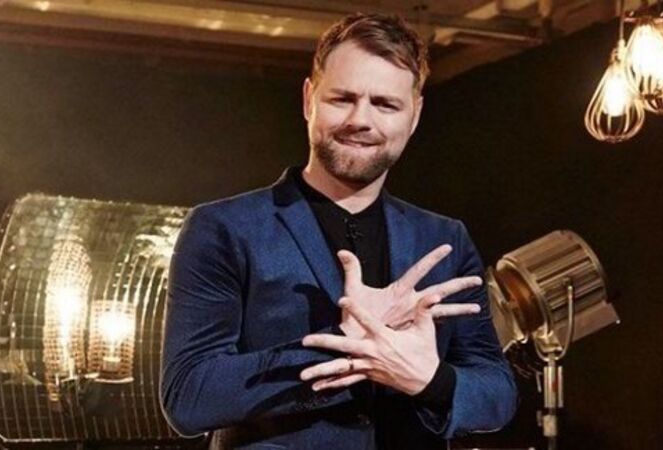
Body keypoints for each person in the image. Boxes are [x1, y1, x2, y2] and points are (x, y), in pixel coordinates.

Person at [160, 13, 517, 449]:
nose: (360, 119)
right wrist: (347, 348)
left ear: (415, 115)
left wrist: (430, 381)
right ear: (309, 100)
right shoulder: (225, 228)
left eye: (385, 104)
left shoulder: (444, 239)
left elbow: (497, 393)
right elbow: (189, 396)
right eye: (342, 98)